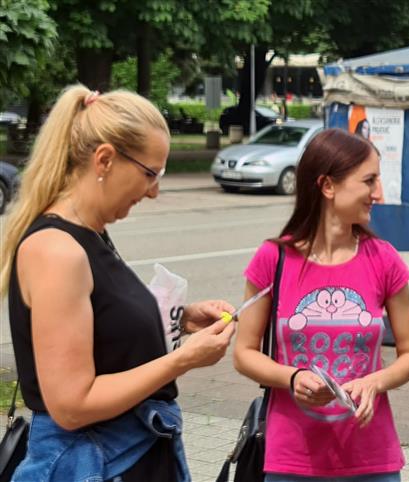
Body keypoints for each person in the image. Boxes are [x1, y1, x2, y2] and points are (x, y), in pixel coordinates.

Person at [0, 85, 236, 482]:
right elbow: (72, 405)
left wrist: (180, 319)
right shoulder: (58, 250)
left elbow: (101, 329)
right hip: (93, 463)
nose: (155, 191)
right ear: (105, 159)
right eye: (150, 174)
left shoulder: (90, 235)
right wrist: (183, 359)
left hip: (115, 459)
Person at [233, 128, 409, 482]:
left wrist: (375, 383)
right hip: (291, 459)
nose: (378, 194)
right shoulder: (273, 258)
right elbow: (243, 353)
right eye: (369, 181)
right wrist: (292, 377)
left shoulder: (384, 260)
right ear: (328, 186)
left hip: (371, 459)